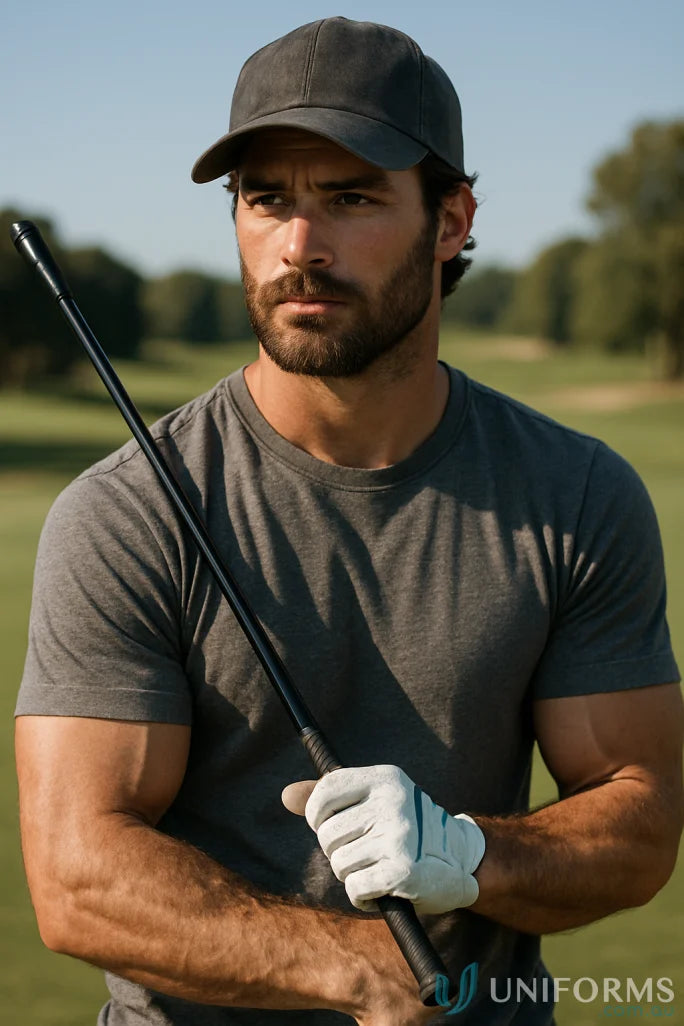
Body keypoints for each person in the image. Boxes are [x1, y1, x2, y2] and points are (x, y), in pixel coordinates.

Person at [15, 16, 683, 1026]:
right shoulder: (127, 512)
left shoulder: (575, 496)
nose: (298, 245)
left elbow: (640, 822)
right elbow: (78, 875)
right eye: (265, 198)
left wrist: (470, 857)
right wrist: (354, 968)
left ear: (451, 220)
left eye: (350, 197)